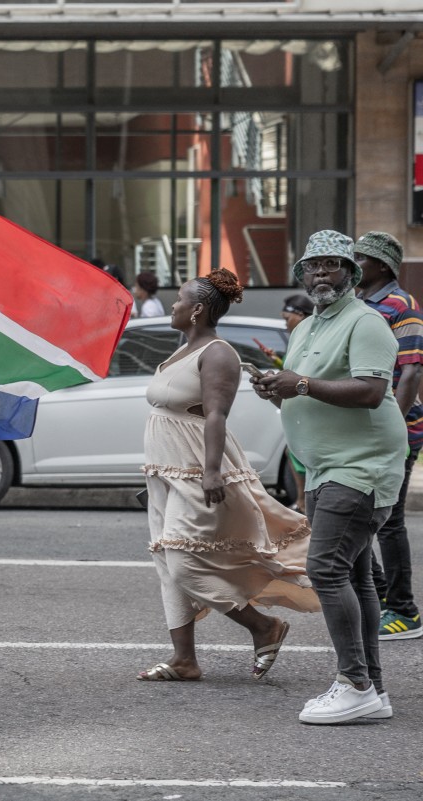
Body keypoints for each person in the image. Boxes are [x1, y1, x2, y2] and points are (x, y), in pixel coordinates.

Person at [253, 229, 406, 724]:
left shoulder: (366, 322)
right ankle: (372, 690)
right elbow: (302, 388)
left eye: (332, 265)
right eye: (312, 266)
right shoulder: (305, 328)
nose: (320, 273)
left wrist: (297, 382)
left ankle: (354, 684)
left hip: (361, 466)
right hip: (322, 467)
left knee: (326, 570)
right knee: (356, 575)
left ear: (351, 273)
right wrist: (275, 388)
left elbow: (368, 390)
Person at [137, 269, 317, 684]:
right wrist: (156, 475)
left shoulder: (218, 353)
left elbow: (216, 414)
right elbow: (171, 414)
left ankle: (262, 626)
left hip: (199, 471)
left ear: (197, 309)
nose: (173, 305)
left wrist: (212, 471)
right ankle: (185, 659)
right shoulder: (183, 349)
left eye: (179, 300)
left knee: (183, 562)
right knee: (166, 562)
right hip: (167, 472)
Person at [354, 231, 423, 641]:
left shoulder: (402, 306)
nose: (353, 264)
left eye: (360, 258)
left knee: (390, 522)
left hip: (397, 430)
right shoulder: (361, 305)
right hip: (364, 429)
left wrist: (392, 428)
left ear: (381, 265)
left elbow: (412, 371)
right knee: (361, 517)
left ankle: (405, 611)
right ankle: (380, 596)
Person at [254, 294, 314, 508]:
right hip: (299, 410)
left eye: (287, 318)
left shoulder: (314, 337)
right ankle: (303, 501)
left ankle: (305, 502)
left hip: (315, 413)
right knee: (293, 450)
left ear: (300, 315)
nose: (285, 324)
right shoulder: (298, 338)